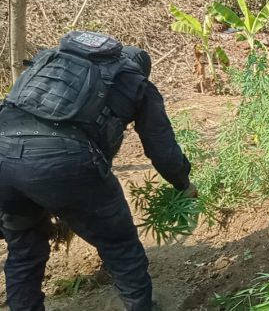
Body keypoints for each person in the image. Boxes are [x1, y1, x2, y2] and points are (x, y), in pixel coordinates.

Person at [0, 31, 196, 311]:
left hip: (3, 156)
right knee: (120, 245)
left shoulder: (52, 62)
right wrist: (183, 183)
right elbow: (161, 147)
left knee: (24, 250)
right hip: (61, 162)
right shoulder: (136, 82)